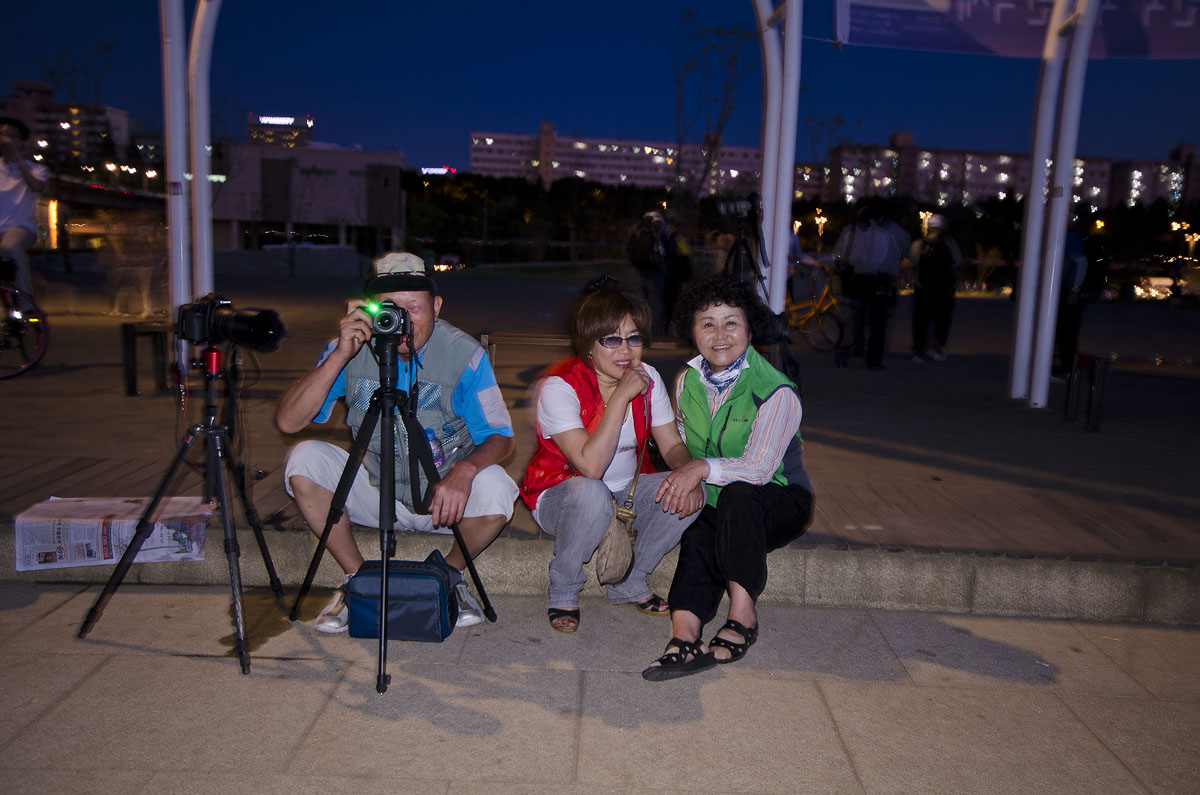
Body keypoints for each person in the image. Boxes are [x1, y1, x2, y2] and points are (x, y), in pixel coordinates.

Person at [276, 252, 519, 633]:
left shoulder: (464, 355)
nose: (402, 320)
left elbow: (502, 437)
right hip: (377, 489)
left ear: (436, 307)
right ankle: (358, 581)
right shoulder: (352, 347)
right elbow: (289, 422)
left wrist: (463, 472)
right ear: (369, 310)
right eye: (390, 308)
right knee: (304, 458)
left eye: (414, 308)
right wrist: (340, 355)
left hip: (445, 499)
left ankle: (448, 577)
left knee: (497, 487)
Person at [642, 274, 814, 681]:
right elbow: (681, 440)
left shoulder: (775, 390)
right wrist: (688, 475)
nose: (719, 335)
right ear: (693, 331)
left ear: (750, 330)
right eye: (707, 323)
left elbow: (759, 469)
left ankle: (742, 615)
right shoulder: (686, 381)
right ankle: (684, 633)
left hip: (778, 499)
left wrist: (699, 469)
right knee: (701, 523)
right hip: (719, 495)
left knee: (736, 495)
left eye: (731, 322)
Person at [521, 278, 704, 632]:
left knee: (693, 489)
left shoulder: (648, 378)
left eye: (634, 338)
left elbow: (671, 446)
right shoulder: (559, 387)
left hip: (625, 494)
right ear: (589, 344)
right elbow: (590, 467)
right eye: (612, 339)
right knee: (592, 492)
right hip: (563, 496)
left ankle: (630, 578)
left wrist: (688, 471)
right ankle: (564, 587)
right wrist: (620, 398)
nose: (626, 350)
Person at [831, 204, 901, 369]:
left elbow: (836, 255)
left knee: (850, 319)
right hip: (877, 280)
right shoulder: (885, 235)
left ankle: (846, 354)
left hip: (853, 280)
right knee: (877, 323)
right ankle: (874, 359)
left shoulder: (849, 232)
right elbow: (892, 261)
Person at [0, 117, 48, 296]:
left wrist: (17, 157)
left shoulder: (36, 169)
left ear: (23, 142)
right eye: (1, 134)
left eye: (10, 136)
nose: (5, 139)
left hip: (21, 227)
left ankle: (24, 299)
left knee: (10, 248)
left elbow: (37, 186)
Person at [908, 214, 962, 362]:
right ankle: (937, 349)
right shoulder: (950, 244)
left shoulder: (918, 244)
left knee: (921, 321)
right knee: (942, 320)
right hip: (944, 289)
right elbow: (958, 263)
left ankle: (919, 350)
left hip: (923, 289)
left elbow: (912, 264)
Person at [1053, 224, 1090, 378]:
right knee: (1064, 331)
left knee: (1066, 332)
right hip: (1068, 289)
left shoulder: (1069, 236)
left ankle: (1068, 370)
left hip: (1068, 290)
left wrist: (1075, 289)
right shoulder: (1070, 235)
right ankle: (1066, 368)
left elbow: (1082, 262)